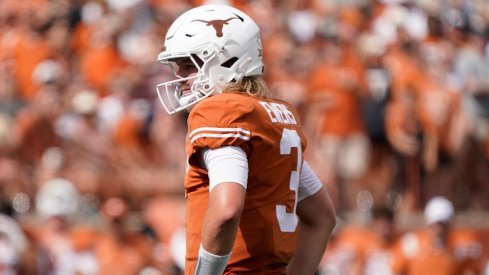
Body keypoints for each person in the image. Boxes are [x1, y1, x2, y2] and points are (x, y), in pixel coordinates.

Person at [154, 4, 336, 274]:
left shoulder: (218, 112)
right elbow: (323, 217)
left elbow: (227, 209)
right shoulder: (271, 117)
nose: (179, 78)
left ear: (225, 60)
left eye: (187, 65)